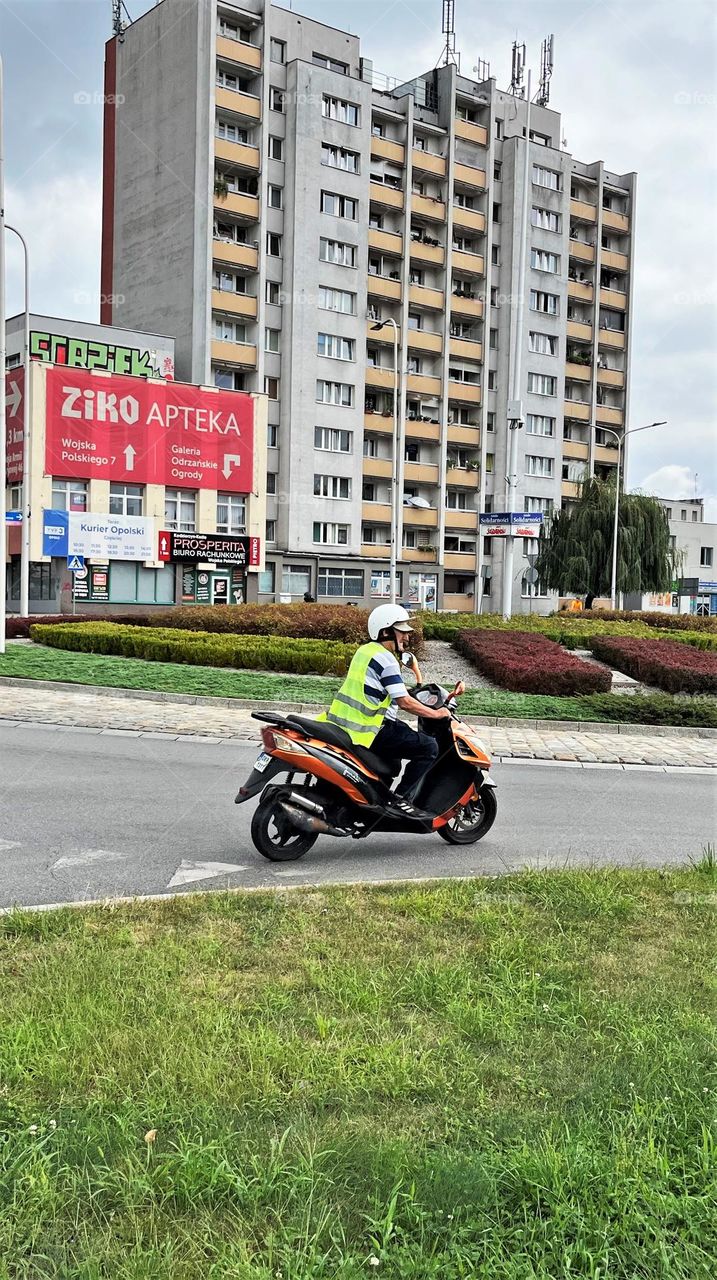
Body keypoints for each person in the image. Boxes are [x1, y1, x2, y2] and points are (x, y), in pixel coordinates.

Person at [319, 604, 451, 812]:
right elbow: (404, 702)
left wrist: (409, 690)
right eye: (402, 632)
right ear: (386, 632)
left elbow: (378, 687)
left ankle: (374, 798)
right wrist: (436, 713)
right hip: (371, 728)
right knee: (429, 747)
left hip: (343, 724)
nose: (407, 638)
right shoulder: (387, 659)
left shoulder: (365, 651)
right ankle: (401, 801)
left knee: (395, 761)